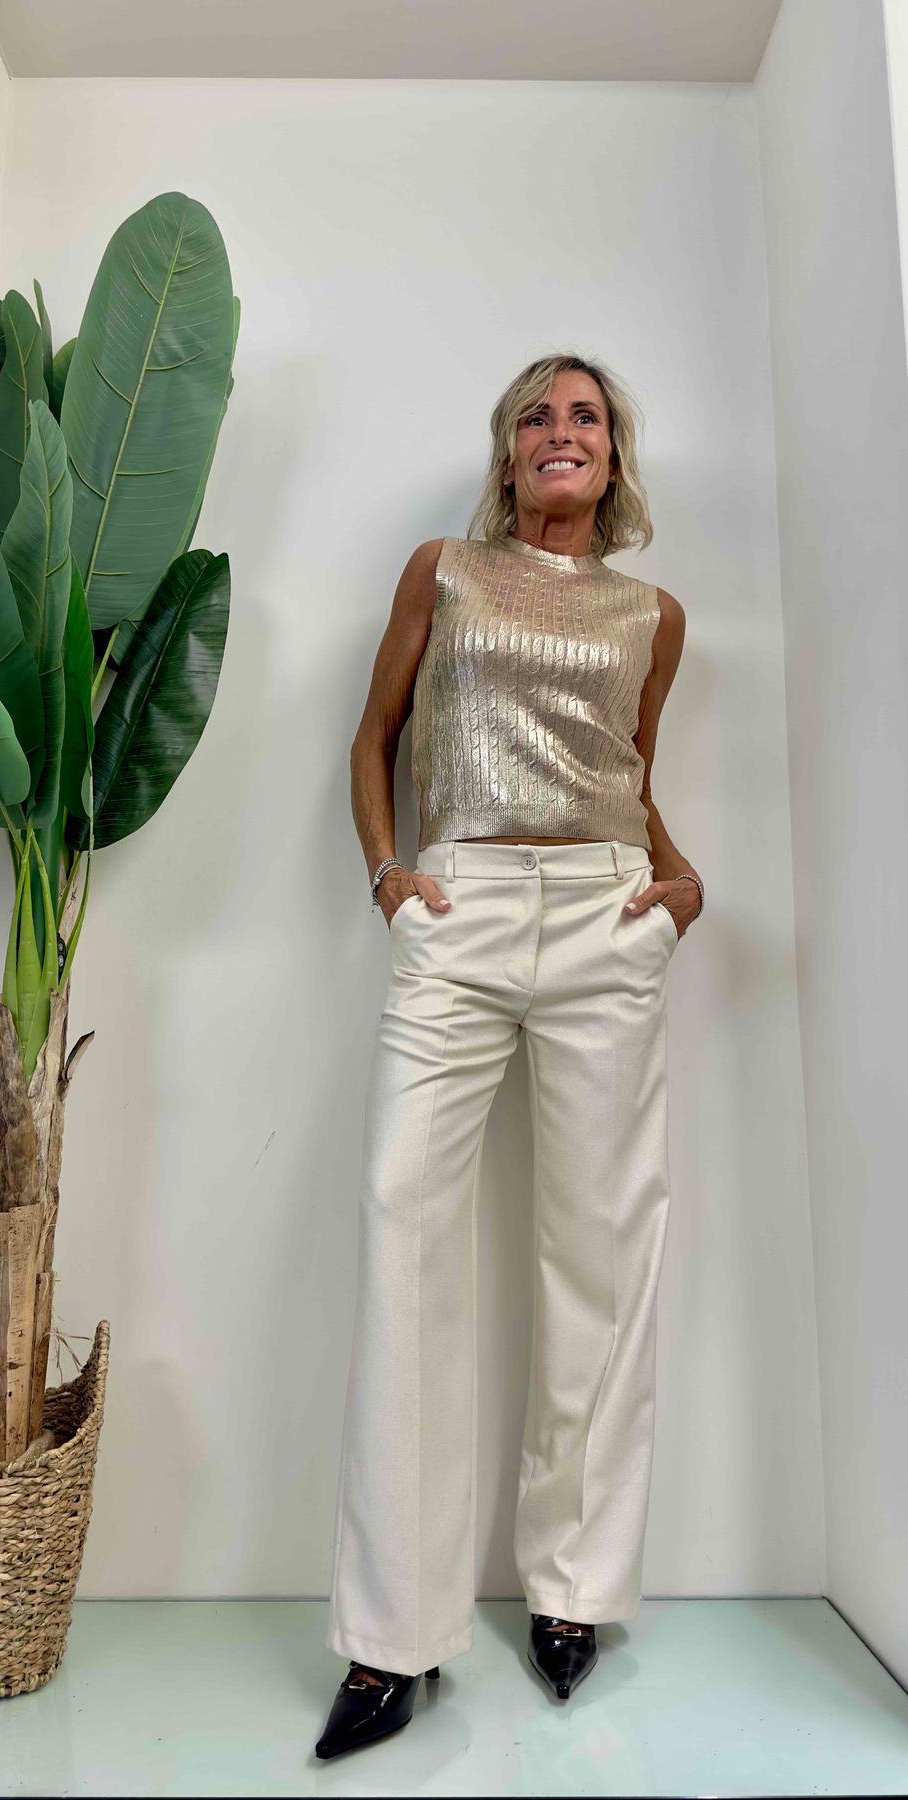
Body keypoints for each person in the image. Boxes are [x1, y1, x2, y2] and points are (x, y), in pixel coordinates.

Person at [315, 353, 703, 1761]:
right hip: (461, 903)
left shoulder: (652, 614)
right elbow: (375, 739)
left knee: (601, 1245)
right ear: (508, 450)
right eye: (537, 414)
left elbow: (630, 774)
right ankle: (391, 1636)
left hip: (605, 913)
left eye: (584, 416)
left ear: (613, 456)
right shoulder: (447, 572)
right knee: (402, 1223)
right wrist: (390, 876)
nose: (560, 431)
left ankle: (573, 1590)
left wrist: (678, 884)